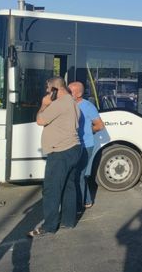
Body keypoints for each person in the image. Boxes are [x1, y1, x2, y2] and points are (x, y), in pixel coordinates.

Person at [28, 77, 81, 238]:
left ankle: (49, 226)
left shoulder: (59, 104)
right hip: (73, 148)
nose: (46, 92)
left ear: (55, 89)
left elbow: (40, 120)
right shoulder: (72, 102)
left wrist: (44, 104)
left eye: (48, 89)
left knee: (52, 189)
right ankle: (68, 221)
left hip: (60, 152)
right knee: (69, 186)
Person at [68, 81, 104, 210]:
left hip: (86, 145)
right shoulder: (68, 105)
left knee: (79, 174)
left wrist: (88, 131)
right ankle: (86, 200)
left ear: (79, 94)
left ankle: (82, 203)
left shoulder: (88, 106)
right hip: (73, 144)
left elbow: (100, 125)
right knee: (78, 174)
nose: (67, 93)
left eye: (70, 91)